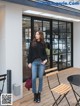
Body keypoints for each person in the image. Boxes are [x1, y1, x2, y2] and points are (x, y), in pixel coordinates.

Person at [28, 31, 47, 103]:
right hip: (34, 62)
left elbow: (45, 54)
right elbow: (29, 53)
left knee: (41, 78)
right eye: (35, 34)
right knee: (33, 78)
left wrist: (46, 60)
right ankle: (35, 93)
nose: (36, 35)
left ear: (40, 35)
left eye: (37, 34)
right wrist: (29, 62)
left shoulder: (43, 43)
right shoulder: (32, 43)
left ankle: (39, 93)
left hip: (41, 62)